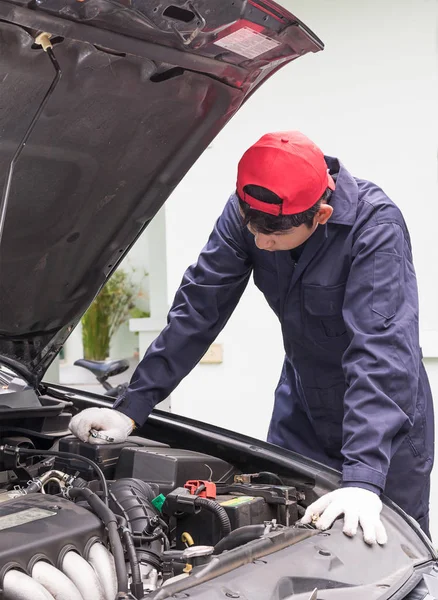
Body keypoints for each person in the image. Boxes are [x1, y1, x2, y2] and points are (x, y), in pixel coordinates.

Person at [69, 131, 434, 544]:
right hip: (303, 417)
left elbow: (380, 349)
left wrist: (365, 478)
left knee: (385, 554)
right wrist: (132, 408)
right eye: (252, 228)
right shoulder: (247, 213)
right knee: (289, 544)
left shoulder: (374, 225)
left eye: (273, 237)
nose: (260, 242)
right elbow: (198, 309)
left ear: (321, 215)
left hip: (386, 426)